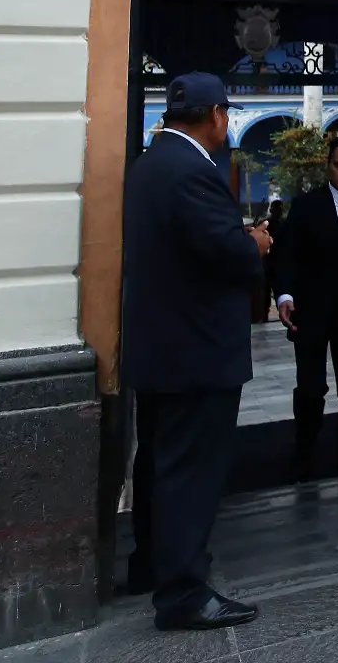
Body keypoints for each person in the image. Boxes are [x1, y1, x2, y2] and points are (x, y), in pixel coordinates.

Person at [122, 72, 272, 632]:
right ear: (215, 115)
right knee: (190, 473)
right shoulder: (192, 171)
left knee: (160, 463)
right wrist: (252, 242)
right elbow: (227, 255)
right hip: (195, 352)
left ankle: (152, 566)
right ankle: (183, 592)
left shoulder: (151, 162)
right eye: (226, 116)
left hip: (162, 348)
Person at [272, 138, 338, 479]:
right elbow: (286, 256)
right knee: (310, 389)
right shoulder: (306, 206)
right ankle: (304, 452)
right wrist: (285, 296)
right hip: (312, 311)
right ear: (329, 165)